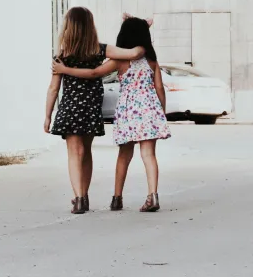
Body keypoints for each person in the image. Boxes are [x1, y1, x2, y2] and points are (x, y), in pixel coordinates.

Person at [53, 15, 171, 212]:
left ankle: (117, 198)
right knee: (149, 154)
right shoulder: (152, 61)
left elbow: (94, 73)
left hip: (128, 111)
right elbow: (160, 88)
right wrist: (162, 112)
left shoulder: (118, 62)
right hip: (150, 110)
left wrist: (65, 69)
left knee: (124, 155)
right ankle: (153, 195)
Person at [44, 7, 145, 215]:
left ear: (68, 27)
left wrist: (47, 115)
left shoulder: (62, 56)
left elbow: (54, 88)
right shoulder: (99, 50)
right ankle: (85, 196)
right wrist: (143, 30)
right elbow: (134, 53)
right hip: (90, 108)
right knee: (86, 152)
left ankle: (79, 198)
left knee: (74, 153)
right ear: (91, 26)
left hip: (70, 108)